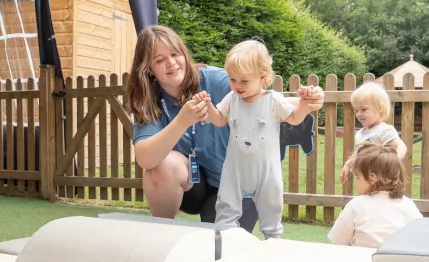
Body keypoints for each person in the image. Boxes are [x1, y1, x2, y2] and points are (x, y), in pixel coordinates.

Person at [125, 26, 325, 231]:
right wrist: (182, 121)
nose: (171, 63)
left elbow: (265, 101)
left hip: (235, 184)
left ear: (184, 54)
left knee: (220, 245)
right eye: (159, 60)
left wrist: (306, 101)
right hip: (192, 187)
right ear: (148, 67)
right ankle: (162, 234)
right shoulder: (149, 100)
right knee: (161, 167)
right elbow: (145, 158)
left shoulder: (218, 80)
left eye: (175, 54)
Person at [196, 40, 322, 239]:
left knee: (271, 207)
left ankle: (273, 241)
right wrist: (208, 106)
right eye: (232, 79)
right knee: (226, 207)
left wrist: (305, 104)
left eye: (244, 81)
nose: (237, 85)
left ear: (263, 78)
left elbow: (294, 119)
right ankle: (224, 244)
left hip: (266, 170)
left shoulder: (273, 100)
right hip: (234, 169)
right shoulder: (232, 98)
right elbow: (219, 120)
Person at [328, 143, 422, 248]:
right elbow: (419, 238)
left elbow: (338, 240)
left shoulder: (357, 204)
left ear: (372, 178)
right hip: (398, 261)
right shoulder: (408, 204)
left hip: (363, 261)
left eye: (358, 177)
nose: (357, 182)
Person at [340, 82, 407, 184]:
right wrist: (347, 165)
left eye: (363, 109)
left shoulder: (384, 130)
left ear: (380, 108)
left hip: (381, 178)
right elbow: (358, 153)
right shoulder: (361, 133)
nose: (359, 114)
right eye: (357, 110)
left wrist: (393, 162)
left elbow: (401, 146)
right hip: (365, 177)